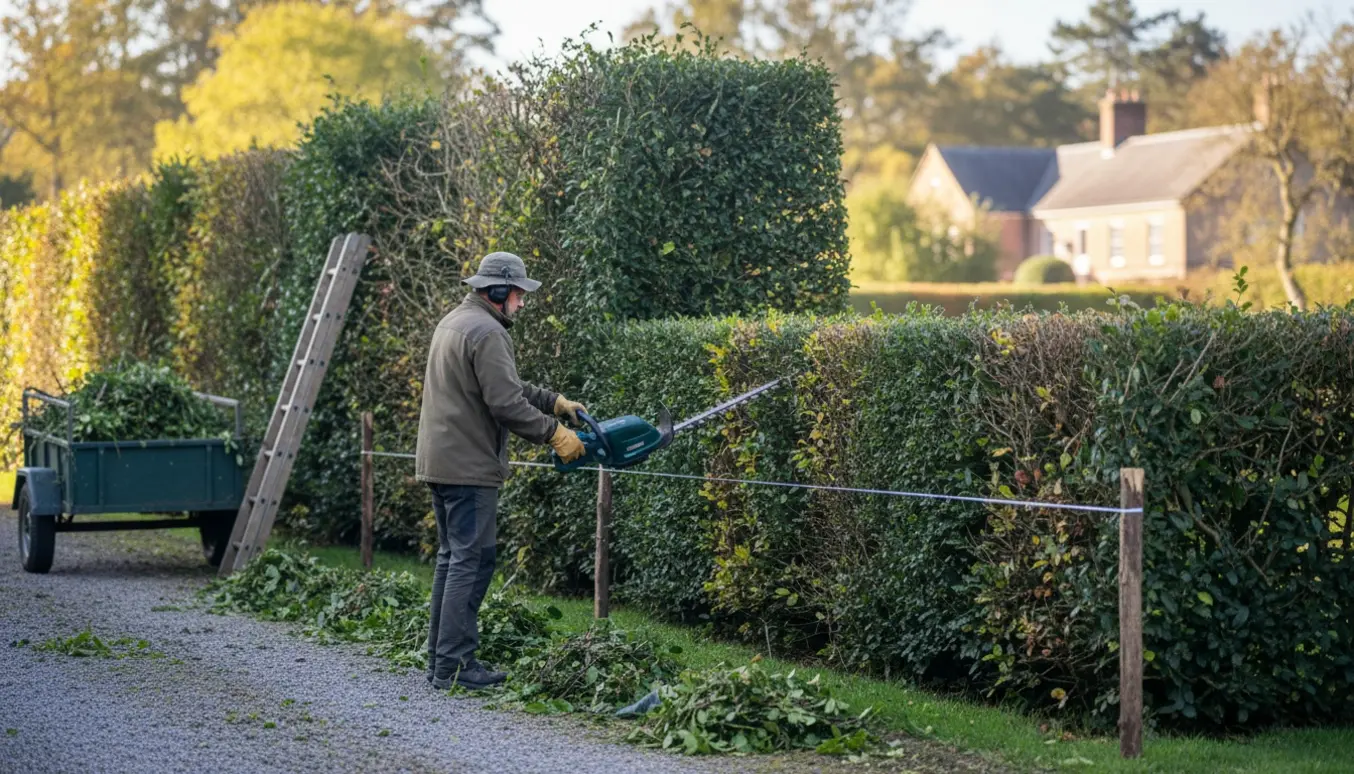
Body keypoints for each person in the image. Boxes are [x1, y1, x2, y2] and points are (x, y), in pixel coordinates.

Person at [415, 251, 587, 690]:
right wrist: (555, 434)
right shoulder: (488, 333)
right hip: (468, 466)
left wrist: (553, 401)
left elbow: (505, 386)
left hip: (442, 460)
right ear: (497, 291)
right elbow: (506, 403)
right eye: (517, 294)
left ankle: (440, 660)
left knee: (453, 559)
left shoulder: (456, 321)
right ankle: (454, 665)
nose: (522, 303)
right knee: (471, 561)